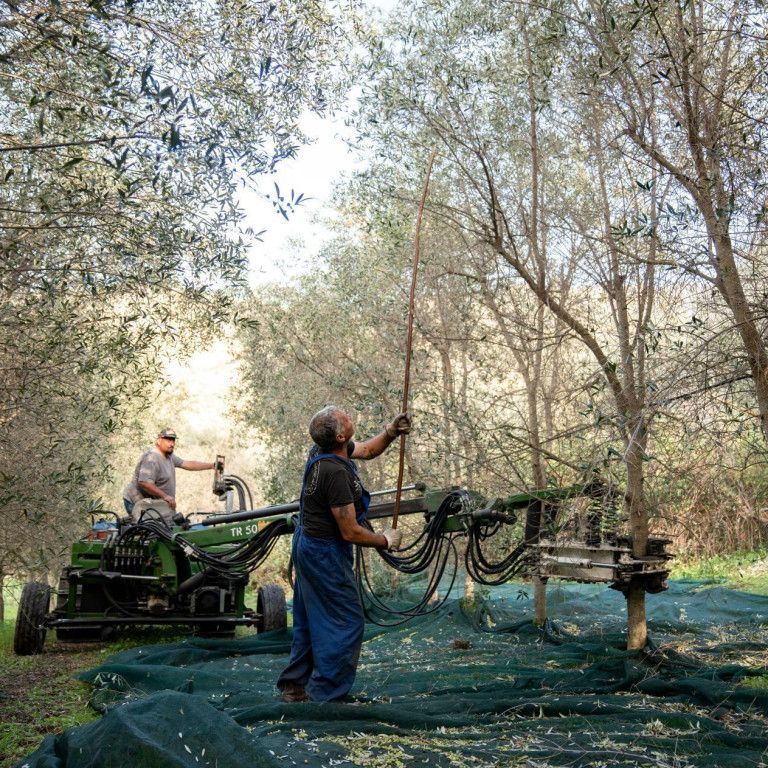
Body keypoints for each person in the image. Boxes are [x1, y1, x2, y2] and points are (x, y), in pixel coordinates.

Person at [276, 406, 411, 703]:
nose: (350, 415)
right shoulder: (334, 473)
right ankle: (327, 695)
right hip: (324, 552)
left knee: (309, 617)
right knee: (347, 620)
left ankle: (294, 687)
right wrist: (384, 541)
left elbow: (367, 450)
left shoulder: (325, 450)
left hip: (307, 544)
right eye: (345, 417)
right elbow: (349, 531)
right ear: (339, 435)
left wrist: (390, 432)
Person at [122, 427, 217, 519]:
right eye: (168, 440)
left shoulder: (169, 457)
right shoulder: (151, 458)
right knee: (151, 531)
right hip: (136, 502)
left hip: (153, 504)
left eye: (173, 440)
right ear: (159, 441)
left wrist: (212, 465)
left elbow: (187, 464)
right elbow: (144, 482)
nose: (172, 444)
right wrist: (165, 496)